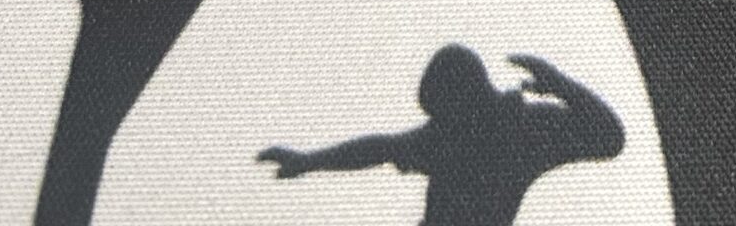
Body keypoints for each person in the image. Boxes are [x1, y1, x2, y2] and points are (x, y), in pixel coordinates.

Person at [258, 45, 623, 224]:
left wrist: (559, 83)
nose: (438, 122)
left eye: (444, 112)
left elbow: (609, 138)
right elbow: (379, 148)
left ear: (463, 98)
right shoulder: (465, 131)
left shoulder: (524, 128)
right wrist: (307, 161)